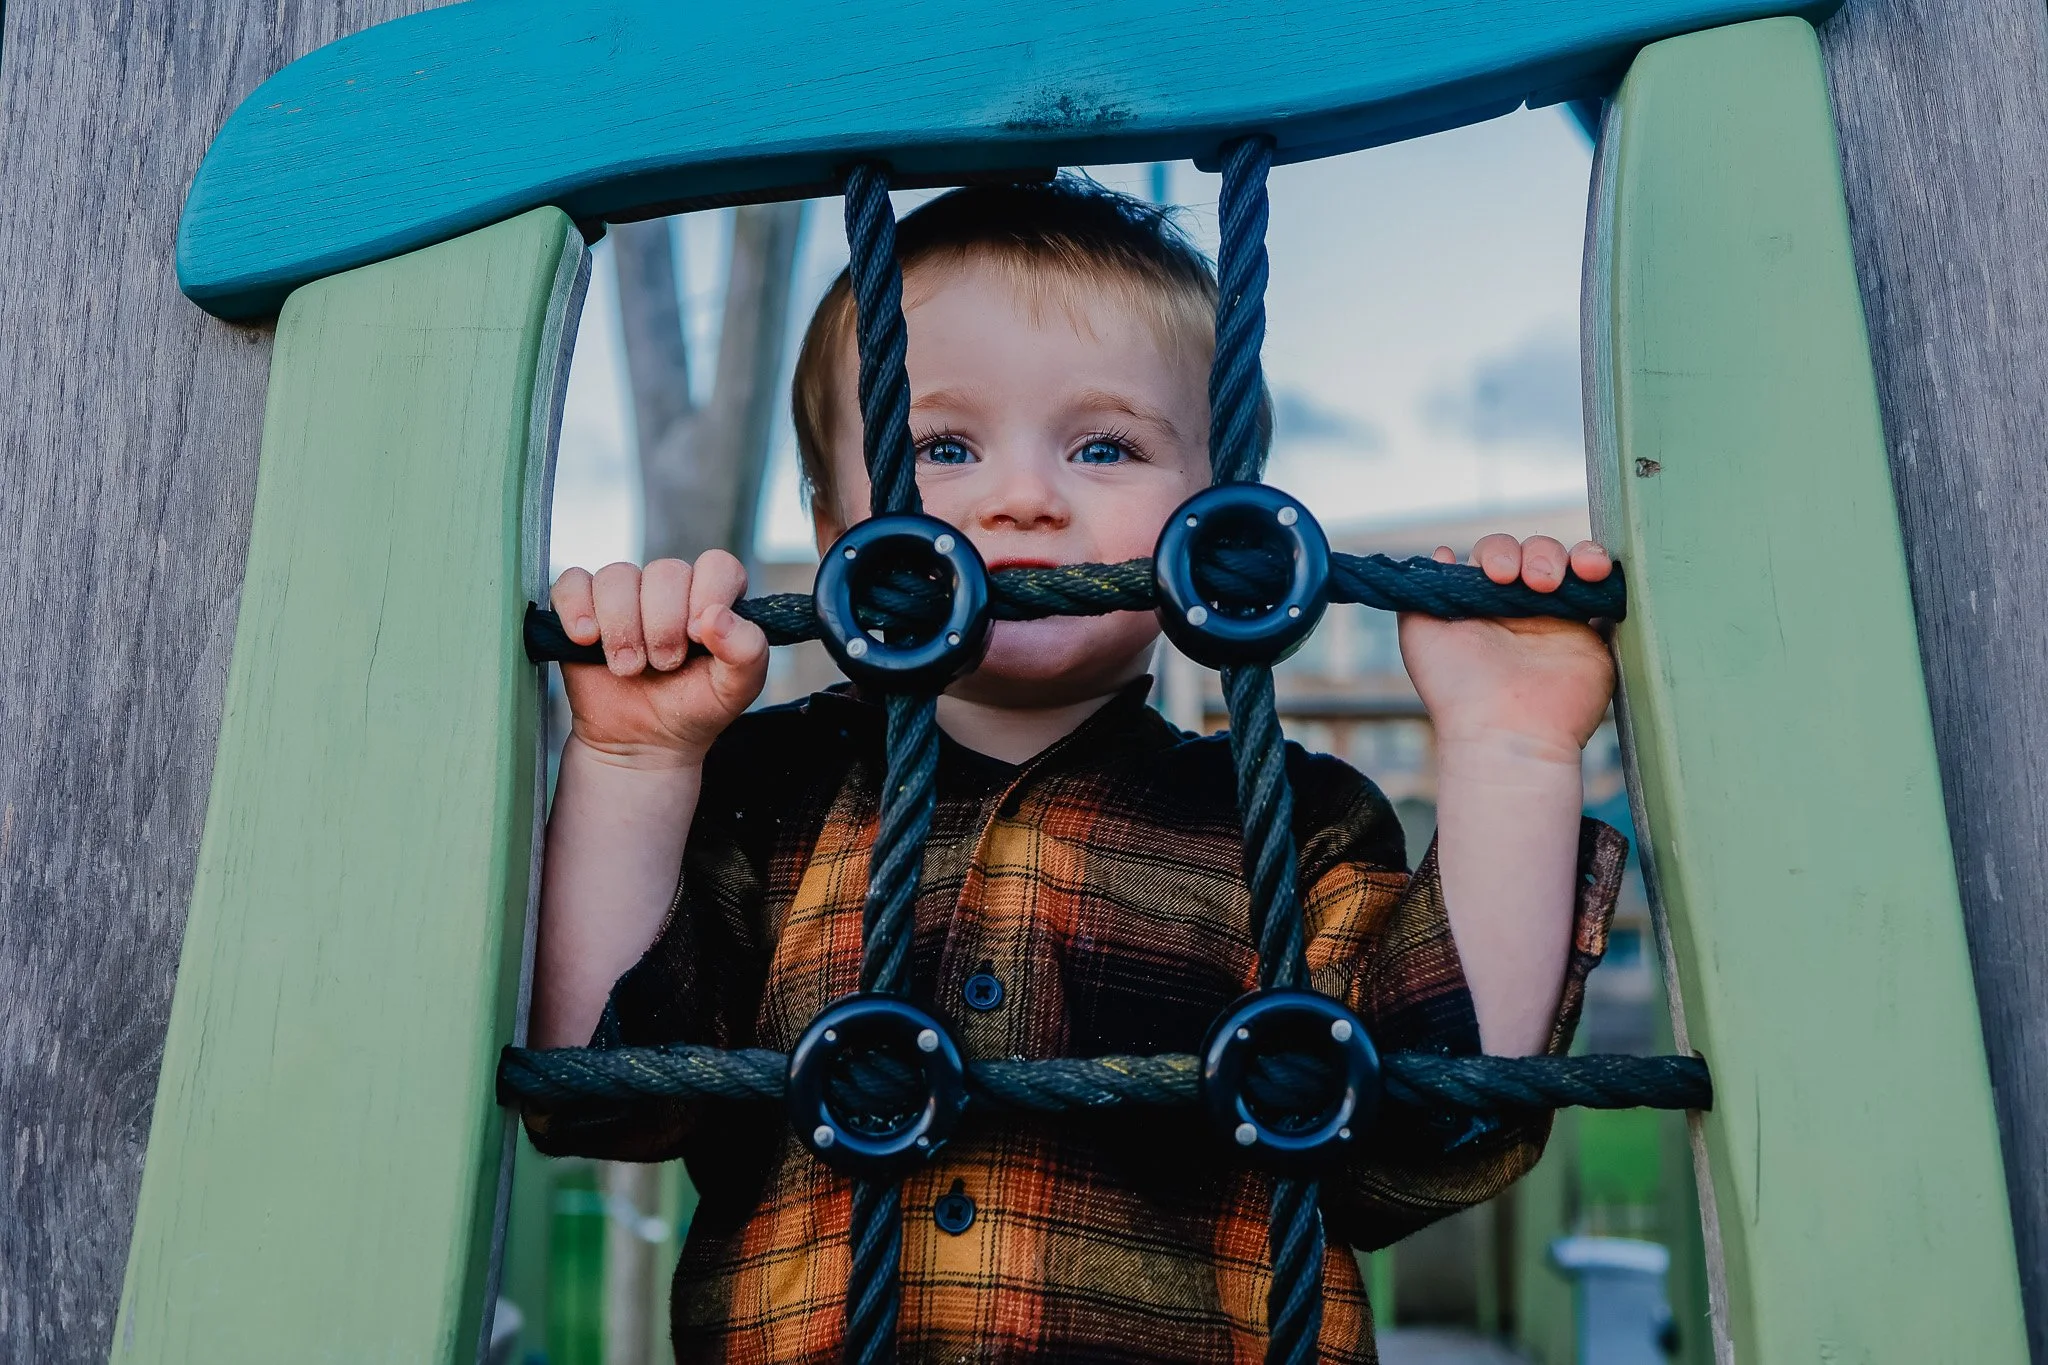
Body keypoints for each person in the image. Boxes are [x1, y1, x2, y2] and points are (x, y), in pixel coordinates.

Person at [522, 177, 1625, 1363]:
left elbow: (1432, 1127)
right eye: (943, 446)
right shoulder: (765, 789)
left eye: (1103, 446)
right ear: (839, 530)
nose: (1023, 500)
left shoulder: (1291, 824)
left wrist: (1507, 748)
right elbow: (602, 1088)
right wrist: (632, 762)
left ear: (1215, 519)